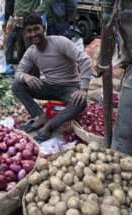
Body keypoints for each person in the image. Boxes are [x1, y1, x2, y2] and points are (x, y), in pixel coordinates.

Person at [12, 12, 92, 142]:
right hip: (50, 87)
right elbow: (18, 73)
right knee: (17, 86)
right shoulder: (31, 52)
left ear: (44, 28)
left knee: (81, 103)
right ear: (25, 34)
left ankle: (51, 124)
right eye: (29, 31)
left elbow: (85, 60)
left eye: (36, 29)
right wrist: (25, 76)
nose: (33, 34)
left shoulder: (60, 42)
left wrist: (83, 89)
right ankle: (40, 116)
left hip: (69, 88)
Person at [2, 0, 17, 64]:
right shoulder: (7, 1)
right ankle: (7, 62)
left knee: (23, 46)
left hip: (23, 21)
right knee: (9, 40)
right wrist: (5, 20)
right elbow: (7, 7)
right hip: (15, 21)